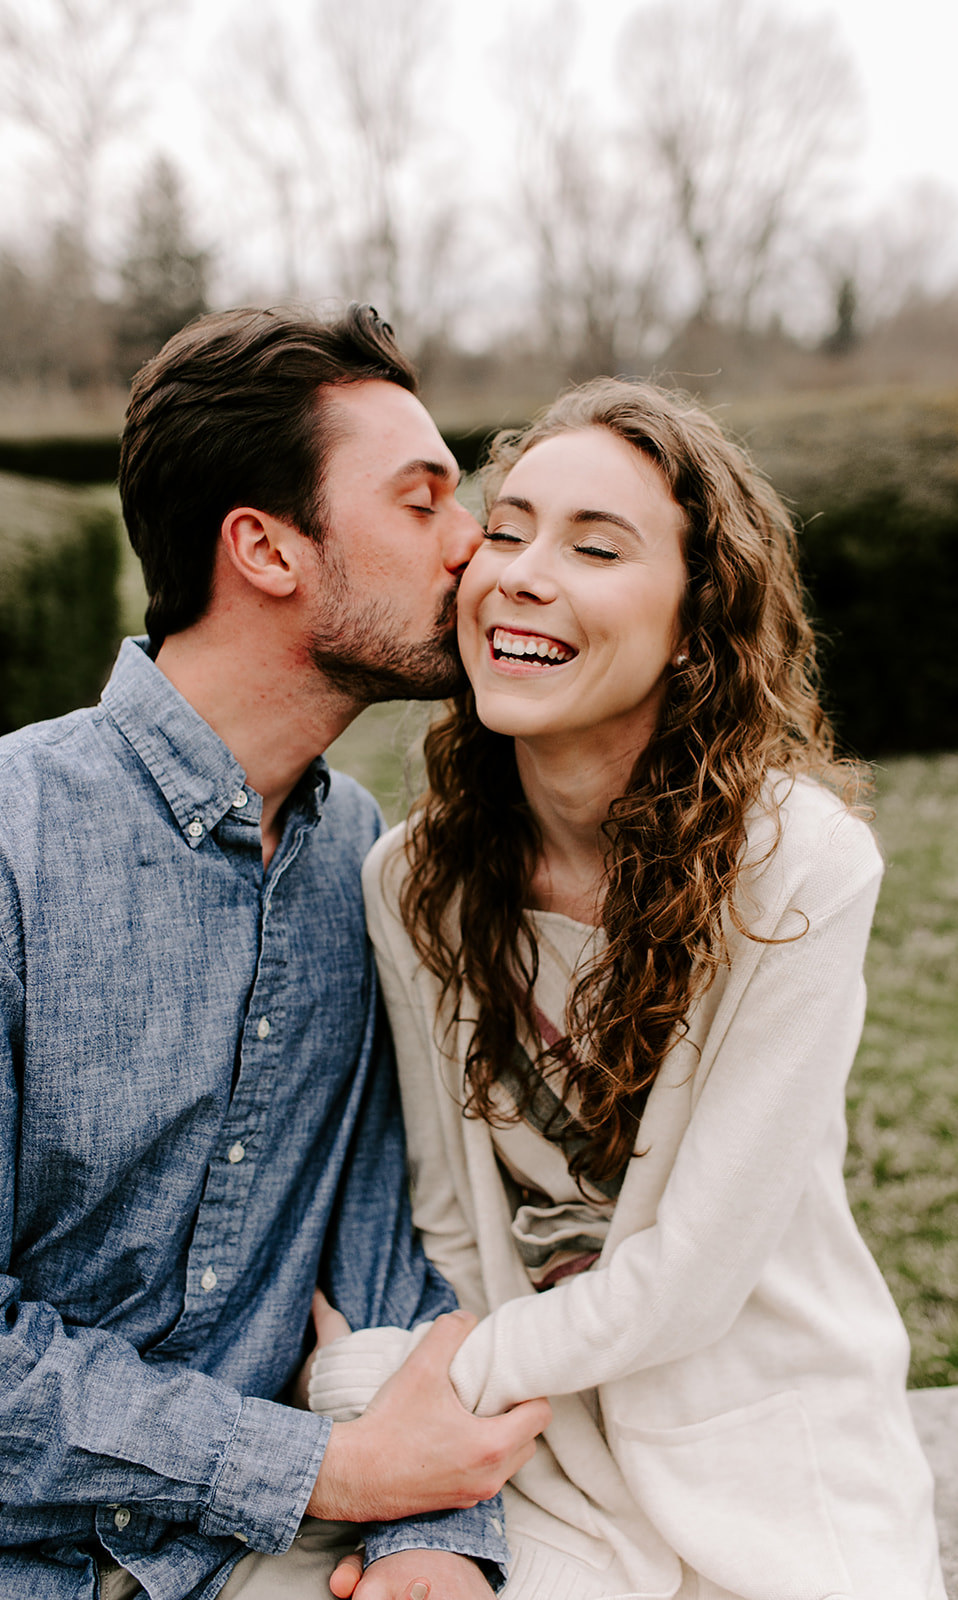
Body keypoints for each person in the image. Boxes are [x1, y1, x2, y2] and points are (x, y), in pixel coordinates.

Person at [309, 379, 947, 1599]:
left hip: (759, 1427)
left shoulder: (796, 869)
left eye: (595, 547)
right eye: (506, 529)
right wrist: (444, 1460)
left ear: (694, 618)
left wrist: (420, 1386)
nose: (523, 573)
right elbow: (452, 1218)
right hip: (540, 1445)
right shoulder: (410, 880)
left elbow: (694, 1272)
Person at [0, 304, 550, 1600]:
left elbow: (383, 1221)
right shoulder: (14, 843)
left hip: (250, 1566)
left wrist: (432, 1541)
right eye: (422, 503)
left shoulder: (351, 850)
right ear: (263, 547)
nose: (472, 546)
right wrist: (328, 1475)